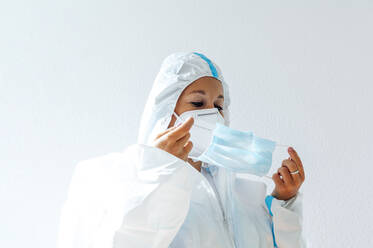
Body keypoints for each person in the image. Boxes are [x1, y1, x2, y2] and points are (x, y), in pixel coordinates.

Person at [57, 52, 307, 248]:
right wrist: (160, 169)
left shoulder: (239, 194)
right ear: (167, 111)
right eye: (197, 103)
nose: (212, 114)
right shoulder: (121, 176)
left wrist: (284, 202)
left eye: (219, 106)